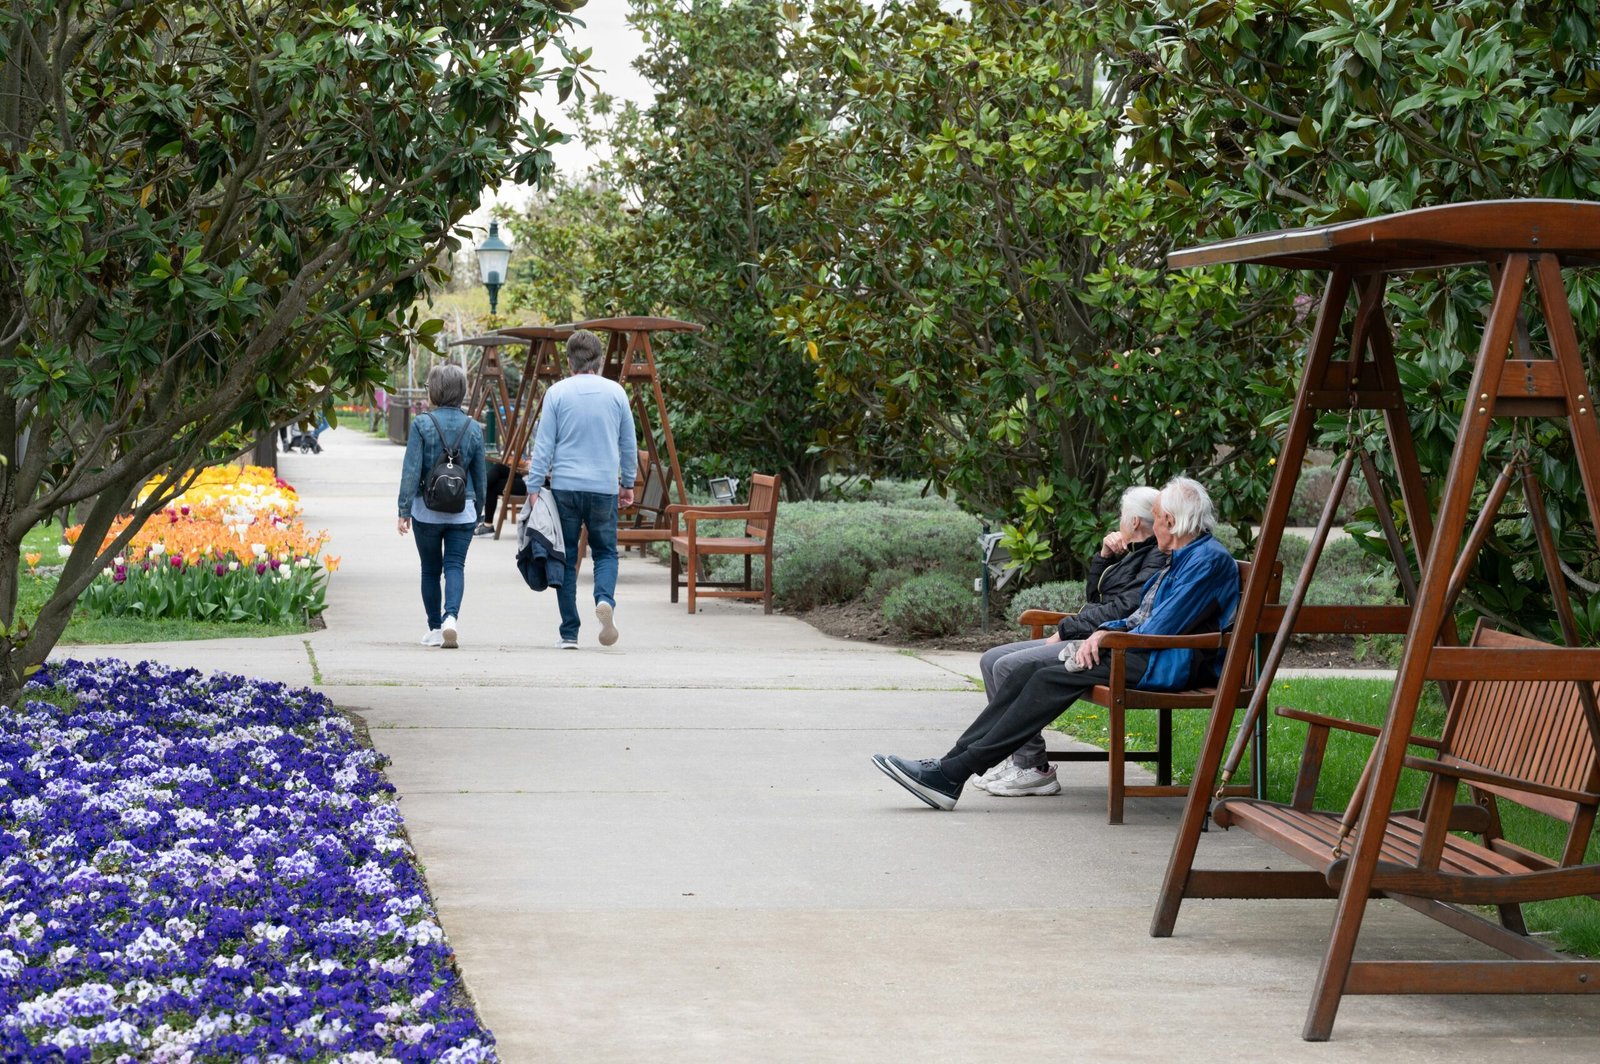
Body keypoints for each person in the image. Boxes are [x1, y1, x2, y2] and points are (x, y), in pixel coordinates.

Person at [872, 477, 1238, 810]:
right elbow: (1141, 617)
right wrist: (1102, 631)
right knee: (1024, 672)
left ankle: (953, 773)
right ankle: (948, 767)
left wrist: (1105, 636)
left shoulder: (1205, 561)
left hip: (1163, 663)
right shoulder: (1185, 556)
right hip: (1142, 651)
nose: (1153, 524)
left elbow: (1159, 628)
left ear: (1171, 522)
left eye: (1157, 517)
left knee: (1047, 677)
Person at [973, 485, 1167, 797]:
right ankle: (1024, 760)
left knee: (1007, 667)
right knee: (990, 660)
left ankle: (1032, 767)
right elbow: (1096, 597)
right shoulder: (1133, 554)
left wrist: (1065, 629)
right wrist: (1104, 557)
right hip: (1088, 634)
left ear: (1133, 522)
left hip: (1104, 644)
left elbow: (1123, 609)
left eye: (1122, 516)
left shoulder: (1155, 558)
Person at [525, 329, 637, 648]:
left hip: (565, 487)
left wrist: (534, 486)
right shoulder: (616, 393)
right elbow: (628, 445)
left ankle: (569, 632)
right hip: (603, 486)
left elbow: (543, 445)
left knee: (565, 556)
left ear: (569, 361)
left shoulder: (557, 393)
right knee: (605, 552)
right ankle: (605, 601)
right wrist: (627, 483)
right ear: (598, 362)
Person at [397, 364, 488, 649]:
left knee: (429, 570)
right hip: (464, 509)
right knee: (455, 566)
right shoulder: (473, 428)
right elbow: (480, 476)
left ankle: (435, 628)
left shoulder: (422, 424)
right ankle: (451, 617)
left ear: (435, 391)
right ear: (462, 391)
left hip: (427, 510)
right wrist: (479, 509)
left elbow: (411, 470)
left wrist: (403, 509)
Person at [475, 457, 530, 536]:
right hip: (525, 476)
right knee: (498, 467)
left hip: (531, 483)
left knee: (492, 486)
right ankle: (477, 493)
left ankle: (486, 524)